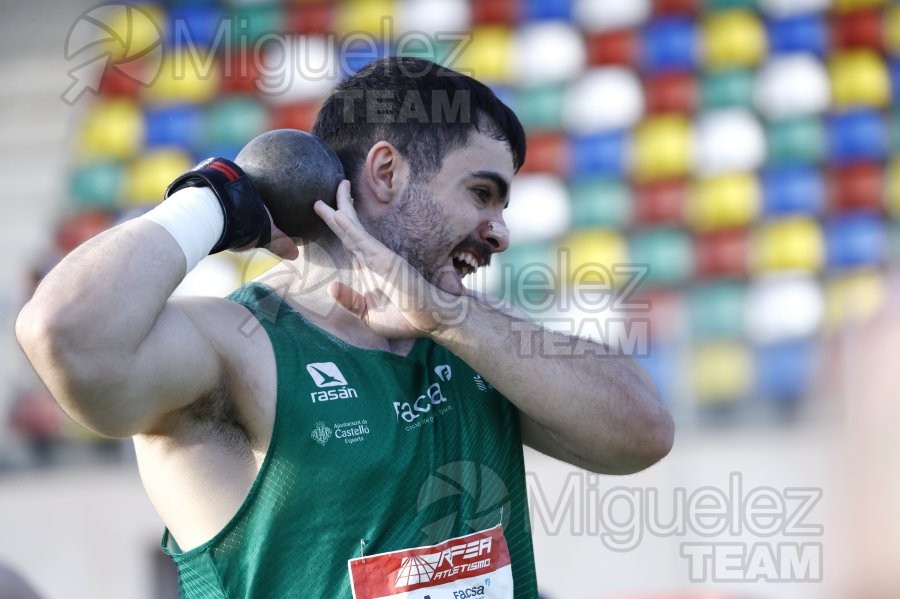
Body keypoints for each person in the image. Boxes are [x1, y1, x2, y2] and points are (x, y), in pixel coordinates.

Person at [16, 57, 673, 598]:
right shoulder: (236, 348)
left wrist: (447, 315)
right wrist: (215, 199)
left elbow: (642, 433)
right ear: (387, 173)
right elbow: (64, 335)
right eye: (481, 193)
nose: (501, 230)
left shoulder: (469, 332)